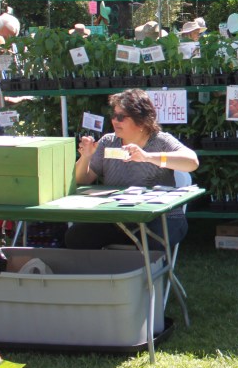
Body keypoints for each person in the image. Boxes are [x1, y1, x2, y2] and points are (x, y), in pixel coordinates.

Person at [69, 88, 200, 249]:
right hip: (118, 220)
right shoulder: (108, 142)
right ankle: (103, 266)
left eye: (121, 117)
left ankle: (149, 266)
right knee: (76, 236)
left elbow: (192, 162)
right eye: (113, 115)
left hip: (161, 217)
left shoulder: (161, 141)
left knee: (153, 243)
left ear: (141, 120)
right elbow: (81, 180)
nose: (115, 121)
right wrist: (85, 157)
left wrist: (148, 157)